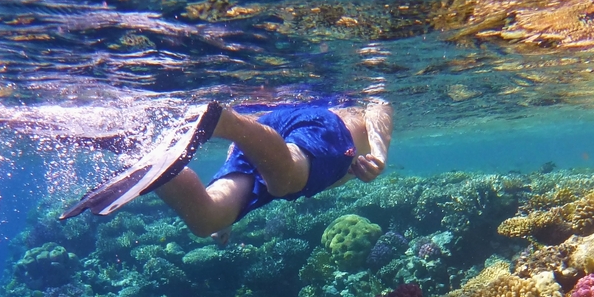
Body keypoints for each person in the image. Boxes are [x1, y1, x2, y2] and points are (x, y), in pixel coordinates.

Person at [60, 99, 393, 242]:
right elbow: (379, 105)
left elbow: (320, 177)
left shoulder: (333, 166)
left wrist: (233, 219)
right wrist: (379, 153)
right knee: (286, 183)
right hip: (309, 131)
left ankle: (140, 151)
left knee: (208, 219)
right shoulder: (356, 112)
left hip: (263, 138)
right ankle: (226, 122)